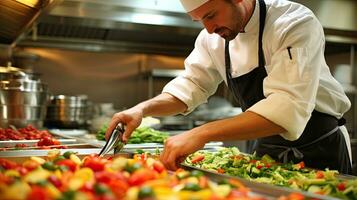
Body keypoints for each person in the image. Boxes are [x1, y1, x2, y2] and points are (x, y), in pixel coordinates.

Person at [106, 0, 352, 174]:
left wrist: (199, 133)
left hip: (321, 146)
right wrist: (141, 109)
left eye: (211, 15)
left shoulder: (293, 22)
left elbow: (287, 108)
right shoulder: (212, 39)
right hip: (266, 148)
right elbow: (190, 86)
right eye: (200, 20)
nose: (209, 29)